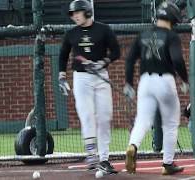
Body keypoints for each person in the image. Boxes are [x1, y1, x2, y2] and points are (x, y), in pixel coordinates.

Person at [123, 2, 188, 175]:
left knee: (142, 120)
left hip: (145, 82)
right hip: (165, 80)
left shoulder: (143, 33)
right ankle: (167, 164)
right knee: (171, 124)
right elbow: (177, 60)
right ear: (173, 18)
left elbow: (129, 60)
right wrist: (185, 80)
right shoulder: (171, 36)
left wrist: (129, 83)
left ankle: (132, 146)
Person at [58, 0, 120, 174]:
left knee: (105, 116)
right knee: (86, 115)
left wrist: (103, 62)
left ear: (87, 12)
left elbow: (116, 52)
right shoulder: (71, 33)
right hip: (81, 78)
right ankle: (92, 155)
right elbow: (63, 56)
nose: (74, 16)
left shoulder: (104, 29)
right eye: (72, 14)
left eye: (77, 12)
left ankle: (104, 159)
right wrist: (61, 76)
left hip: (100, 78)